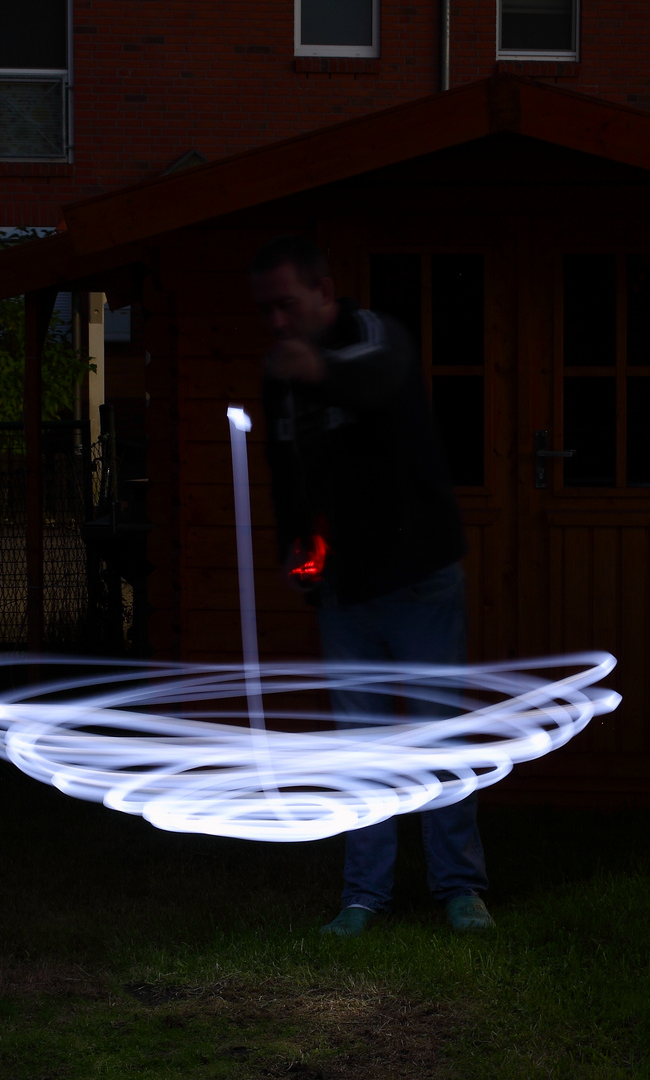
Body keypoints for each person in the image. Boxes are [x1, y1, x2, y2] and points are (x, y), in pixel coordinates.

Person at [249, 235, 493, 936]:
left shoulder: (375, 336)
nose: (275, 323)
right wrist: (295, 545)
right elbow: (283, 465)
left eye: (285, 305)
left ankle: (459, 889)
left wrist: (316, 368)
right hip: (345, 589)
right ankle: (364, 896)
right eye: (264, 310)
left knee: (436, 737)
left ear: (323, 293)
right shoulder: (281, 373)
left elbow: (376, 380)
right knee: (360, 745)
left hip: (419, 576)